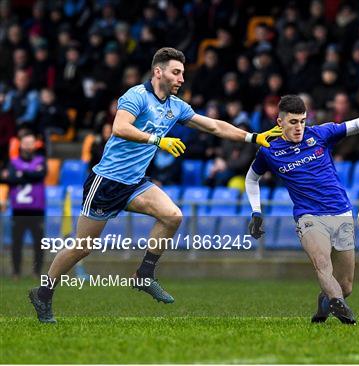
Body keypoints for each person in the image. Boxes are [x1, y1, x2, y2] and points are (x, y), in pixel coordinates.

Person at [29, 47, 282, 323]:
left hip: (135, 183)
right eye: (176, 72)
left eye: (183, 73)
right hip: (106, 183)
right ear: (158, 71)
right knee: (83, 247)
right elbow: (120, 128)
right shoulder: (136, 96)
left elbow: (213, 126)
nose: (181, 79)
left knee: (172, 215)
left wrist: (253, 137)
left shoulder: (176, 106)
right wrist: (158, 140)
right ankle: (43, 293)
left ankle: (144, 274)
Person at [244, 95, 359, 324]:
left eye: (302, 121)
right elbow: (251, 179)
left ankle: (327, 303)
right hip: (308, 216)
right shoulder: (269, 150)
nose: (299, 127)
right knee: (322, 263)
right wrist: (256, 211)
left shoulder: (319, 134)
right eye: (293, 122)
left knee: (346, 286)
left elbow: (349, 126)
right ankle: (340, 308)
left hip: (341, 212)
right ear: (280, 122)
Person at [0, 131, 46, 280]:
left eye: (30, 143)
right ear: (21, 144)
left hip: (36, 210)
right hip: (18, 210)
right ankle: (16, 272)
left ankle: (36, 272)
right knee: (16, 243)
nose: (28, 146)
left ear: (35, 144)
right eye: (25, 143)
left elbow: (40, 175)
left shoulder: (40, 160)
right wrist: (29, 173)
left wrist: (20, 174)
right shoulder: (13, 162)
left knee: (39, 243)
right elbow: (8, 179)